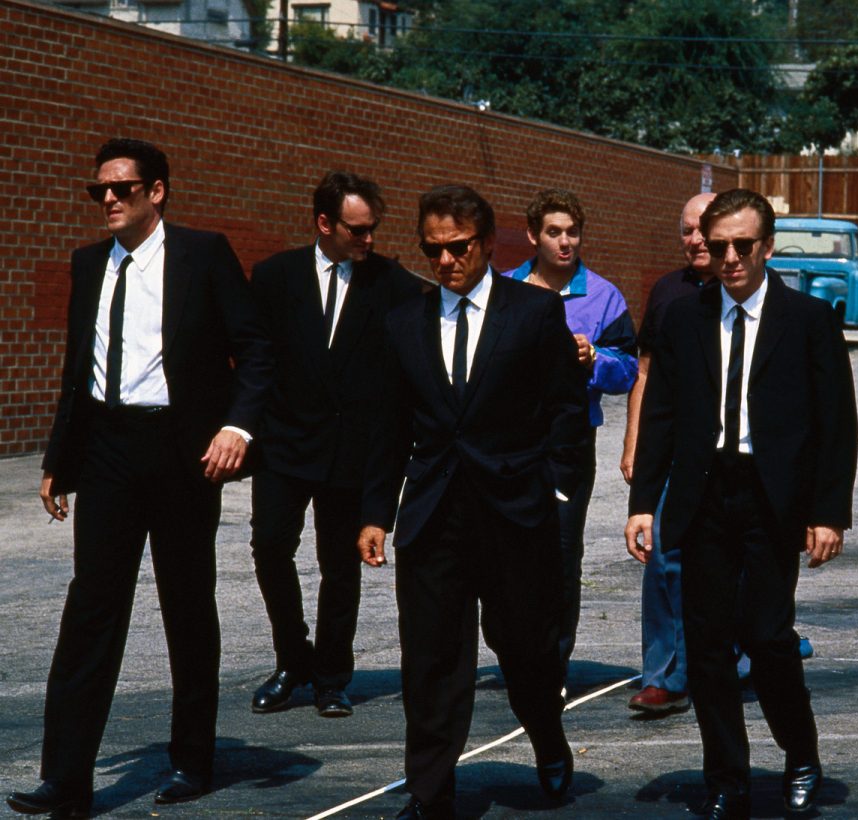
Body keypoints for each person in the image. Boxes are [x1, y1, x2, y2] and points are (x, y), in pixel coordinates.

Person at [6, 138, 272, 816]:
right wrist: (59, 459)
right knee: (91, 608)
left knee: (187, 605)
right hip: (107, 452)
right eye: (99, 189)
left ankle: (192, 760)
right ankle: (65, 778)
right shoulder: (88, 262)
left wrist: (237, 428)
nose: (108, 198)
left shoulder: (203, 255)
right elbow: (79, 370)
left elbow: (256, 348)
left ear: (156, 191)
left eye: (121, 187)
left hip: (182, 452)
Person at [358, 185, 589, 819]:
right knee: (430, 659)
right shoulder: (403, 322)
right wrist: (376, 513)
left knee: (527, 650)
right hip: (434, 516)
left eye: (458, 247)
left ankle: (547, 736)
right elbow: (387, 428)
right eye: (432, 249)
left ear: (486, 243)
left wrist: (554, 487)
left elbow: (566, 411)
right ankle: (430, 791)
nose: (445, 261)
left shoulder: (533, 312)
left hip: (516, 514)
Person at [626, 188, 857, 819]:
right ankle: (726, 777)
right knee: (705, 645)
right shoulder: (684, 317)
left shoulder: (808, 319)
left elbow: (837, 423)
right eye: (718, 244)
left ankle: (800, 754)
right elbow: (662, 415)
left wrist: (828, 514)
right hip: (703, 496)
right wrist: (643, 502)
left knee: (766, 635)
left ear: (767, 247)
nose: (729, 257)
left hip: (771, 499)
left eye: (742, 245)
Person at [247, 172, 421, 718]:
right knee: (269, 548)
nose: (368, 239)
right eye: (357, 230)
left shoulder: (394, 285)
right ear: (324, 223)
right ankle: (292, 659)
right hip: (284, 446)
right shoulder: (274, 277)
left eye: (372, 229)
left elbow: (398, 386)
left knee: (340, 567)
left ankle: (331, 677)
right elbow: (257, 361)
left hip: (352, 452)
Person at [504, 189, 637, 683]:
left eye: (573, 233)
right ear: (532, 236)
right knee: (508, 553)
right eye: (554, 232)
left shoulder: (604, 295)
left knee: (561, 553)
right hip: (508, 444)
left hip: (569, 444)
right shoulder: (504, 288)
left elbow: (628, 371)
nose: (565, 242)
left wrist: (594, 357)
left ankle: (552, 665)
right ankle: (516, 654)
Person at [621, 192, 716, 715]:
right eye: (687, 230)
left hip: (732, 452)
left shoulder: (754, 289)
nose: (696, 240)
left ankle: (740, 654)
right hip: (676, 452)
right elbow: (645, 373)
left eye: (705, 228)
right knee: (662, 557)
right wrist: (634, 444)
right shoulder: (666, 292)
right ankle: (665, 674)